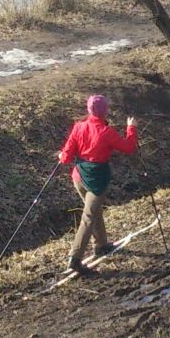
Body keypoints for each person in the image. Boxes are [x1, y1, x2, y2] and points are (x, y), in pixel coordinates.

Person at [57, 94, 138, 277]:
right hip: (96, 180)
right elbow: (129, 147)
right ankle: (75, 258)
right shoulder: (106, 132)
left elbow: (67, 157)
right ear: (105, 111)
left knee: (94, 211)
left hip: (78, 178)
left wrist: (62, 156)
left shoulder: (78, 127)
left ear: (88, 110)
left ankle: (101, 245)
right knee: (89, 216)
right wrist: (131, 128)